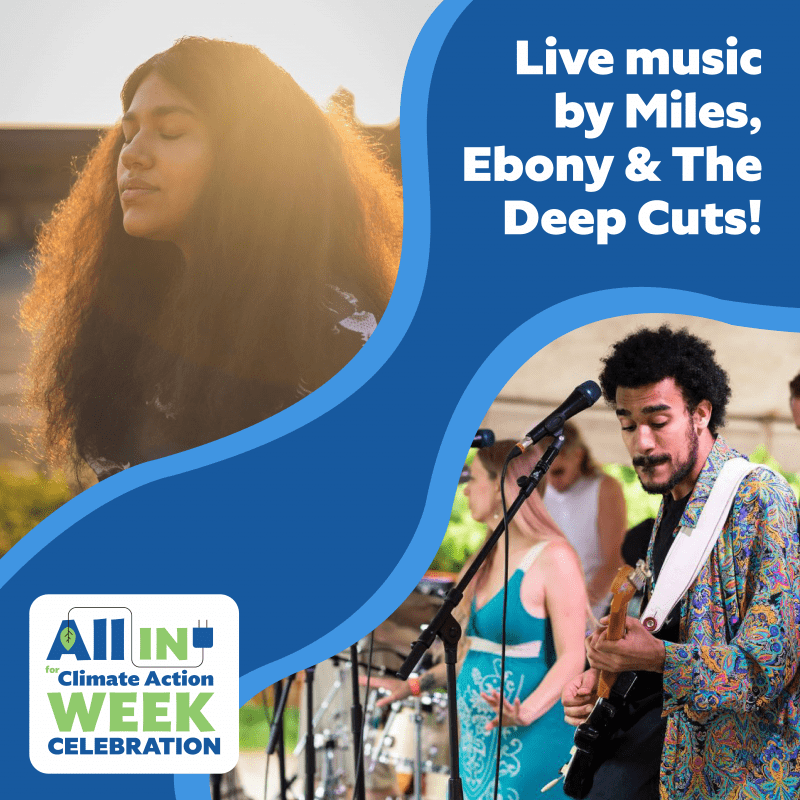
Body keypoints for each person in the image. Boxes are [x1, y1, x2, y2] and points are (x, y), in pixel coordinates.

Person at [21, 37, 401, 482]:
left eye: (171, 132)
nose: (131, 154)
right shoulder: (141, 309)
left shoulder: (334, 327)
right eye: (128, 134)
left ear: (253, 158)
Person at [561, 325, 800, 800]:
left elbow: (769, 664)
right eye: (628, 425)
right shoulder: (674, 506)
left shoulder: (759, 497)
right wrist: (607, 671)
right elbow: (664, 634)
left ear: (700, 414)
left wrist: (657, 658)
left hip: (734, 773)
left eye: (657, 420)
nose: (642, 444)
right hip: (670, 752)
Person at [369, 440, 587, 800]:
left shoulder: (554, 557)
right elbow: (471, 656)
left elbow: (573, 656)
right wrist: (412, 686)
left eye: (475, 478)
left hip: (532, 736)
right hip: (476, 740)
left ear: (506, 484)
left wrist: (527, 712)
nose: (466, 489)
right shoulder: (479, 562)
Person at [543, 421, 627, 620]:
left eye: (558, 471)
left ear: (578, 455)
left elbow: (613, 562)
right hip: (549, 609)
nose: (552, 481)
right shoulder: (538, 491)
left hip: (596, 608)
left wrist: (580, 609)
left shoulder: (604, 488)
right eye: (546, 473)